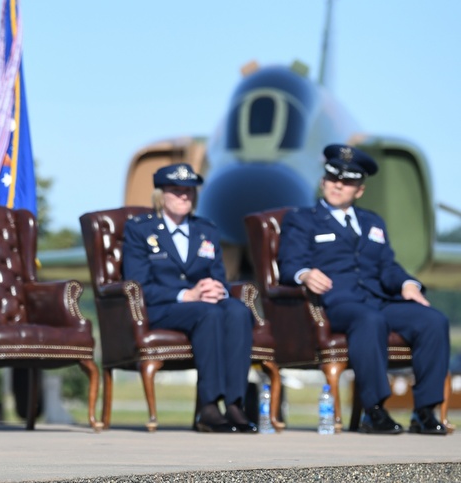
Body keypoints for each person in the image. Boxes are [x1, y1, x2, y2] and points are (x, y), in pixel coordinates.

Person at [278, 144, 450, 435]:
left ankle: (424, 410)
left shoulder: (373, 222)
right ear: (323, 182)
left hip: (378, 298)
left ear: (359, 190)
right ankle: (374, 410)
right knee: (370, 320)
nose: (338, 185)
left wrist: (408, 284)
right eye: (333, 179)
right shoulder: (302, 219)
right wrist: (305, 274)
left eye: (347, 182)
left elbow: (388, 267)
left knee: (433, 320)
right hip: (339, 301)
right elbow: (289, 263)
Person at [122, 163, 256, 433]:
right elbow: (139, 285)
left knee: (238, 310)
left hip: (204, 304)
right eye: (176, 191)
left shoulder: (206, 229)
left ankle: (235, 403)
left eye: (189, 191)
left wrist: (217, 289)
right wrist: (188, 294)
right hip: (163, 307)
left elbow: (218, 274)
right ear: (161, 194)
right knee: (209, 313)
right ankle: (208, 406)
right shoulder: (140, 230)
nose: (184, 196)